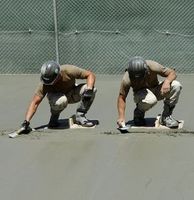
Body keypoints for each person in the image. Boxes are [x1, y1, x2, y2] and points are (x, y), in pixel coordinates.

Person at [20, 61, 97, 132]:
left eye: (51, 81)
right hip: (57, 99)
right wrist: (26, 122)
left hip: (72, 93)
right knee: (61, 100)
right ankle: (54, 118)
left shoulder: (68, 70)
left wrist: (89, 89)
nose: (48, 83)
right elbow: (35, 103)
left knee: (92, 90)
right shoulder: (44, 84)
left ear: (58, 75)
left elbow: (90, 74)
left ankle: (80, 116)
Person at [117, 56, 182, 129]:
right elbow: (122, 97)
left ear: (146, 70)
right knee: (151, 99)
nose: (138, 79)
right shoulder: (127, 78)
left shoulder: (152, 66)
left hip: (156, 88)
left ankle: (166, 117)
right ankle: (138, 114)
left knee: (176, 85)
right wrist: (121, 117)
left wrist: (167, 82)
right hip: (141, 95)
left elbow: (172, 73)